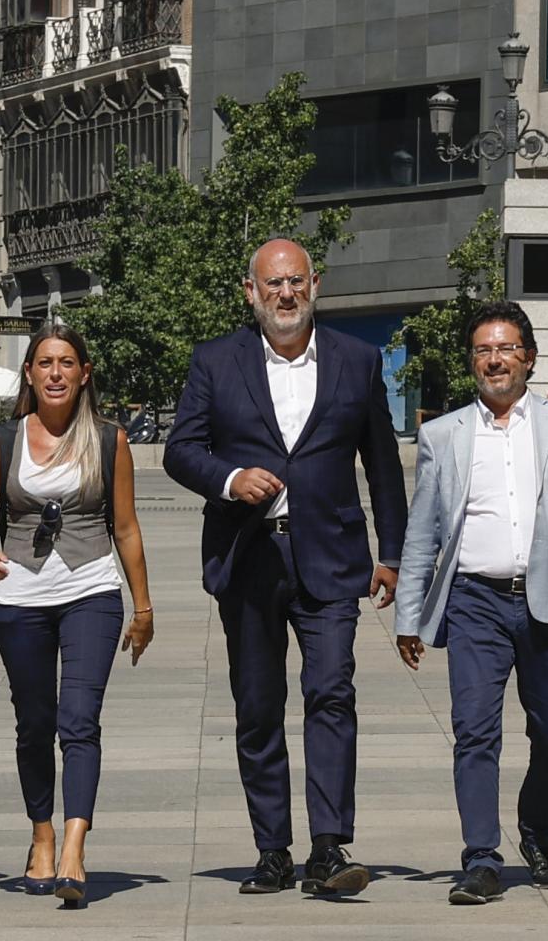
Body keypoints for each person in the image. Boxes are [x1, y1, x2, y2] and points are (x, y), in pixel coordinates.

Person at [163, 238, 407, 897]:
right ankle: (273, 848)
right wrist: (231, 476)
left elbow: (382, 465)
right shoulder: (217, 361)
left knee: (332, 693)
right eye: (273, 284)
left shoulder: (357, 362)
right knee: (258, 706)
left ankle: (329, 845)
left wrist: (392, 555)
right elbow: (181, 451)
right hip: (248, 557)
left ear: (315, 285)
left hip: (332, 558)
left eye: (296, 281)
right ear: (252, 293)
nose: (285, 294)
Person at [394, 302, 548, 905]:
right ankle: (480, 857)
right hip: (475, 601)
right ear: (472, 361)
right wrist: (409, 615)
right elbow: (422, 532)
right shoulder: (442, 434)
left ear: (528, 357)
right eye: (482, 350)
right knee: (474, 731)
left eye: (504, 349)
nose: (493, 360)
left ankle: (536, 832)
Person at [0, 325, 156, 908]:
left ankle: (74, 846)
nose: (54, 373)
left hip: (91, 590)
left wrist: (143, 607)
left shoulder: (109, 439)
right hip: (18, 598)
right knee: (34, 723)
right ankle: (41, 833)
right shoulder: (3, 438)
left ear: (84, 373)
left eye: (66, 363)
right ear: (28, 374)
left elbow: (125, 527)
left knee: (79, 720)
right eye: (44, 363)